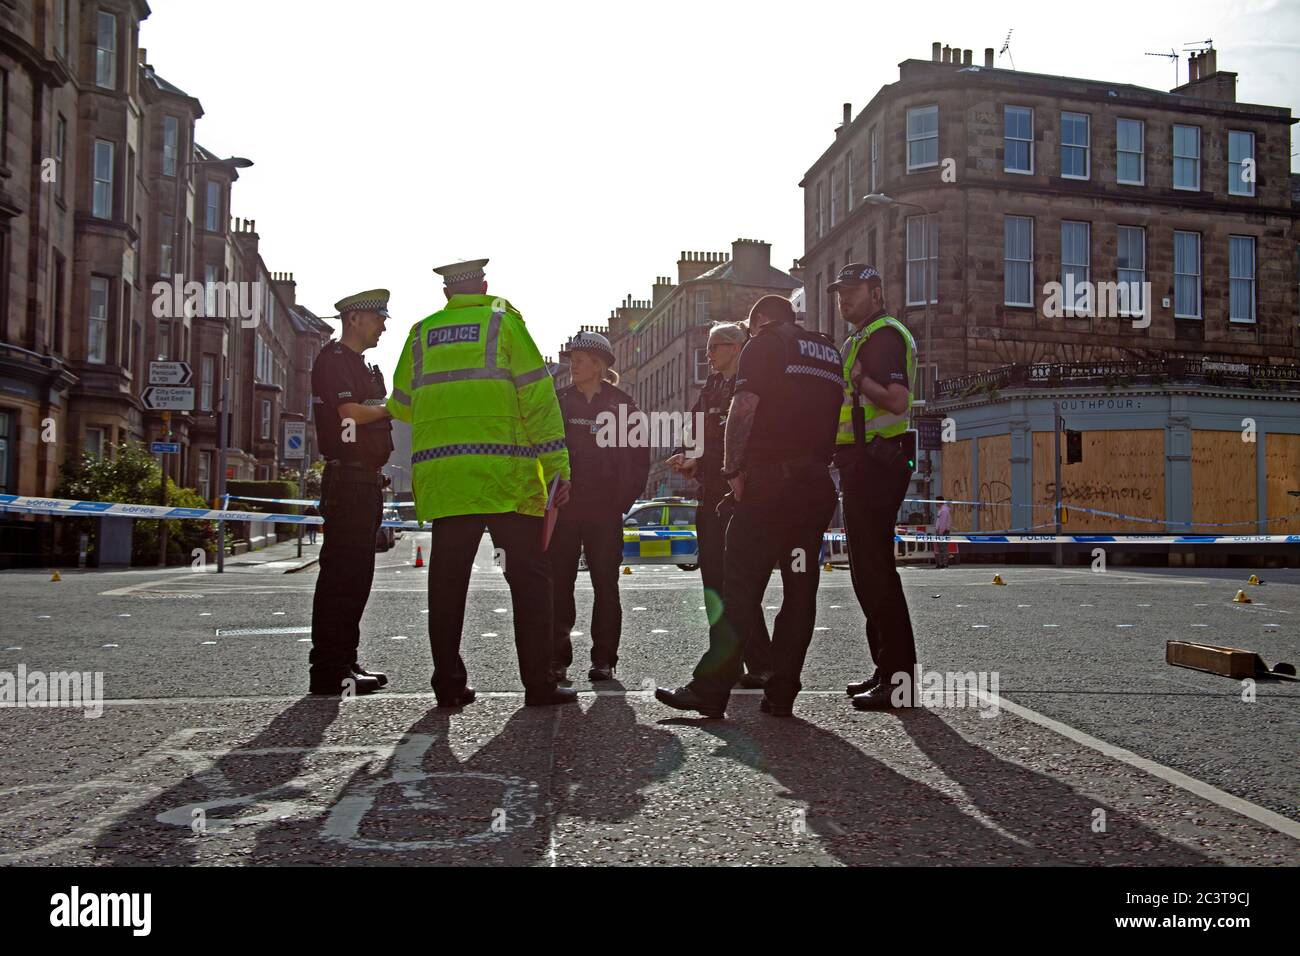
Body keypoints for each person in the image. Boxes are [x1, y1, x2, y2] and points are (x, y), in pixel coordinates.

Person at [387, 259, 577, 708]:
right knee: (529, 580)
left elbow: (403, 404)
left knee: (447, 582)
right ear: (484, 285)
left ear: (447, 294)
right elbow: (537, 397)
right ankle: (539, 683)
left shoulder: (420, 334)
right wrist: (557, 468)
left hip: (447, 480)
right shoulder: (504, 324)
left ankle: (448, 685)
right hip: (505, 477)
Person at [655, 295, 843, 718]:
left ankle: (710, 688)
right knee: (800, 589)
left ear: (758, 322)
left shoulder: (765, 344)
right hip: (813, 488)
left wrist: (732, 470)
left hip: (767, 488)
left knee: (738, 587)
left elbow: (744, 408)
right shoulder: (827, 351)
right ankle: (781, 691)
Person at [830, 264, 920, 711]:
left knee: (877, 570)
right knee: (866, 571)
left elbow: (898, 400)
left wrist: (860, 380)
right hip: (861, 462)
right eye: (840, 292)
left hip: (877, 462)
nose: (844, 298)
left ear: (877, 292)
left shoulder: (884, 335)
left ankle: (899, 681)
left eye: (853, 291)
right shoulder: (860, 338)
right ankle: (885, 670)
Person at [666, 322, 772, 689]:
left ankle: (755, 663)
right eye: (709, 347)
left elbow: (744, 446)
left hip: (738, 498)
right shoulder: (712, 387)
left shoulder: (750, 384)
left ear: (738, 346)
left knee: (735, 583)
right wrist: (685, 455)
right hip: (710, 496)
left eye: (716, 346)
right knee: (714, 582)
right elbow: (693, 429)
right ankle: (741, 663)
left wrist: (703, 461)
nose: (709, 354)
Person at [308, 290, 395, 697]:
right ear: (356, 318)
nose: (383, 324)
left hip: (365, 479)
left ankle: (344, 660)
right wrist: (389, 408)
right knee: (342, 577)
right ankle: (329, 668)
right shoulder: (335, 361)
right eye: (378, 317)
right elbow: (350, 414)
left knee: (356, 577)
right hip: (348, 480)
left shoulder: (360, 366)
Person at [549, 331, 649, 682]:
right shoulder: (558, 402)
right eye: (572, 359)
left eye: (578, 360)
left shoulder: (623, 406)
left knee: (606, 585)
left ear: (598, 364)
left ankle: (604, 659)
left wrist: (620, 503)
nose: (572, 365)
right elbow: (542, 450)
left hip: (604, 512)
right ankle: (557, 659)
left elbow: (639, 461)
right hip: (564, 511)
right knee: (559, 584)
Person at [933, 495, 952, 569]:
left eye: (936, 502)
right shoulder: (942, 509)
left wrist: (940, 532)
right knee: (941, 547)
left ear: (939, 502)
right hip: (942, 531)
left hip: (942, 531)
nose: (935, 504)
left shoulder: (943, 510)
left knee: (943, 547)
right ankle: (942, 563)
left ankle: (944, 564)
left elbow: (943, 522)